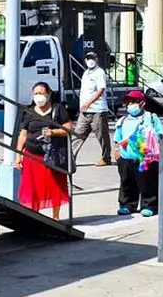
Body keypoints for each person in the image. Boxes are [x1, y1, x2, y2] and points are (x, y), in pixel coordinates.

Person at [15, 82, 72, 220]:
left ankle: (55, 217)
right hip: (31, 155)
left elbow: (68, 129)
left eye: (41, 93)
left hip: (52, 156)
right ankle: (35, 215)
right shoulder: (29, 111)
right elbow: (23, 134)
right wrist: (18, 155)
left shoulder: (58, 109)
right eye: (35, 94)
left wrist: (53, 132)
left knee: (54, 185)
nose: (38, 96)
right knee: (33, 187)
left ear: (49, 94)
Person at [112, 90, 163, 217]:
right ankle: (127, 204)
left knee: (148, 182)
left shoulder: (151, 118)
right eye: (128, 102)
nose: (130, 104)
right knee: (127, 182)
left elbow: (160, 135)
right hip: (126, 158)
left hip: (146, 158)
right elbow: (117, 138)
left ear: (142, 103)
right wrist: (117, 151)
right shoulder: (122, 120)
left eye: (134, 101)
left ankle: (149, 205)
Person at [74, 51, 112, 166]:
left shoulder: (100, 72)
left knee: (102, 136)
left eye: (93, 58)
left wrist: (89, 102)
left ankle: (106, 157)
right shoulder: (85, 73)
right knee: (77, 135)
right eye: (88, 58)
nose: (90, 61)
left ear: (96, 59)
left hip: (97, 110)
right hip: (84, 111)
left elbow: (100, 90)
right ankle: (70, 159)